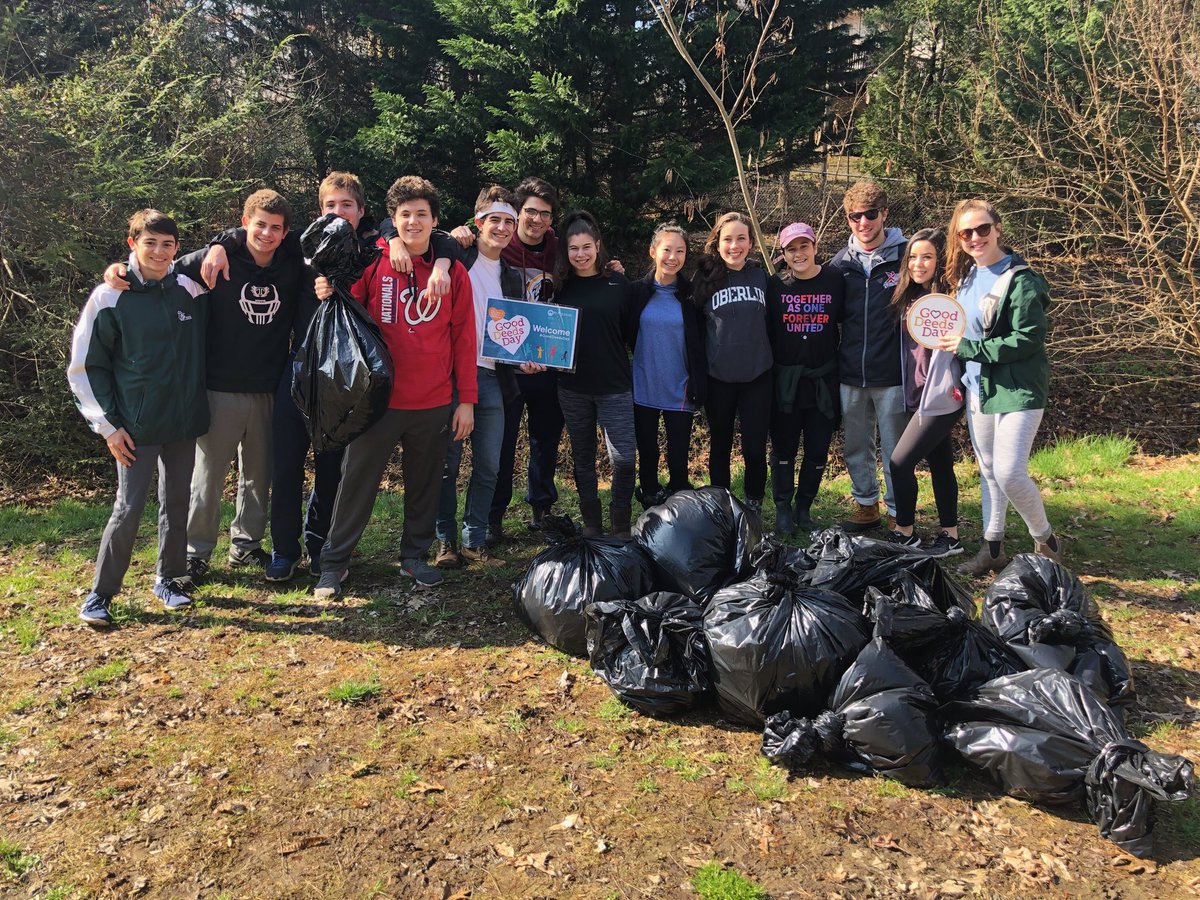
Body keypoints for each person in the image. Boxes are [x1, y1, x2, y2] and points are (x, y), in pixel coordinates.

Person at [202, 173, 375, 582]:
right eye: (330, 206)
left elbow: (424, 237)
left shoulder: (373, 254)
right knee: (286, 466)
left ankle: (321, 547)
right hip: (296, 375)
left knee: (332, 467)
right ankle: (284, 550)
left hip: (345, 381)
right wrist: (218, 244)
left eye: (346, 205)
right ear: (320, 211)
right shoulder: (299, 250)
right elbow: (252, 232)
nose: (338, 213)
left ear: (361, 212)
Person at [313, 176, 477, 597]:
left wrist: (467, 402)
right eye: (405, 215)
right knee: (356, 483)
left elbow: (464, 337)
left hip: (434, 400)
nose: (413, 222)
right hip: (379, 401)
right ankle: (334, 563)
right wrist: (328, 288)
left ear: (435, 221)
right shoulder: (375, 260)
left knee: (425, 484)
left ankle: (414, 557)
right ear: (393, 219)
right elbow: (347, 307)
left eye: (422, 214)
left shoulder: (453, 271)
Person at [68, 210, 208, 625]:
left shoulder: (191, 289)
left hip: (183, 423)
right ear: (132, 244)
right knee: (128, 508)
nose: (159, 252)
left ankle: (169, 578)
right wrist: (107, 426)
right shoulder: (108, 297)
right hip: (134, 429)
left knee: (177, 503)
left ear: (177, 248)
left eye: (168, 244)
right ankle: (101, 595)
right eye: (150, 243)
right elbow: (85, 367)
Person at [937, 199, 1062, 574]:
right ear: (958, 238)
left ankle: (1047, 540)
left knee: (1009, 472)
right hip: (979, 386)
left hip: (1018, 388)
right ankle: (992, 548)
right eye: (965, 233)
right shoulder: (968, 277)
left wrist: (970, 348)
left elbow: (1028, 338)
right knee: (988, 470)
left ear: (998, 228)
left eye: (982, 229)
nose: (975, 238)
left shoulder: (1021, 278)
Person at [433, 185, 540, 569]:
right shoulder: (454, 254)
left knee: (490, 465)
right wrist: (452, 235)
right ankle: (445, 542)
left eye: (509, 221)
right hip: (450, 376)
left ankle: (474, 542)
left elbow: (514, 331)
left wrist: (525, 359)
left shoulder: (512, 276)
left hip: (494, 378)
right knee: (447, 464)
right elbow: (398, 227)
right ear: (478, 222)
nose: (501, 227)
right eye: (494, 219)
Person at [830, 181, 909, 532]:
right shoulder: (839, 264)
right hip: (849, 372)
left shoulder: (906, 256)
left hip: (891, 372)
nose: (863, 223)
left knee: (896, 450)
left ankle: (898, 510)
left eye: (871, 215)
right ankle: (866, 505)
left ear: (885, 215)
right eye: (855, 216)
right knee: (856, 446)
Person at [554, 211, 638, 537]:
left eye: (586, 246)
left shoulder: (619, 283)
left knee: (625, 461)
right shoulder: (559, 287)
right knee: (583, 458)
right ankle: (591, 524)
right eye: (573, 248)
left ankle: (620, 525)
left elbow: (631, 334)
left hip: (615, 385)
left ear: (598, 245)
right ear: (566, 251)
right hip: (572, 387)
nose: (581, 254)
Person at [886, 228, 964, 557]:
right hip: (918, 394)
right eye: (913, 257)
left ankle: (905, 532)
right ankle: (951, 536)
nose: (919, 263)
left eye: (927, 257)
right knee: (941, 463)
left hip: (943, 396)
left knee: (899, 463)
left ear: (939, 261)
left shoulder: (950, 298)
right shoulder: (907, 297)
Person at [692, 211, 772, 512]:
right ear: (717, 242)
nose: (734, 245)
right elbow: (693, 328)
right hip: (719, 377)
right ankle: (722, 508)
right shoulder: (703, 277)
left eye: (741, 238)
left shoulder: (761, 275)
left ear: (751, 243)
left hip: (758, 376)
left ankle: (754, 506)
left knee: (754, 449)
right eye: (728, 239)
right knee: (720, 446)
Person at [766, 222, 843, 534]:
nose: (798, 254)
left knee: (817, 449)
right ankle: (783, 508)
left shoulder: (836, 280)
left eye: (803, 246)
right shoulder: (775, 285)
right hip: (785, 383)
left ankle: (804, 508)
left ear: (815, 246)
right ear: (783, 254)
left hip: (823, 381)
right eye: (791, 249)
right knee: (783, 449)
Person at [628, 223, 705, 508]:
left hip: (681, 386)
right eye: (667, 249)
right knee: (647, 450)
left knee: (678, 455)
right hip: (644, 383)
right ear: (653, 252)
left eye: (680, 251)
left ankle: (679, 505)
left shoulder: (691, 295)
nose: (673, 257)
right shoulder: (636, 292)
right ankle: (649, 499)